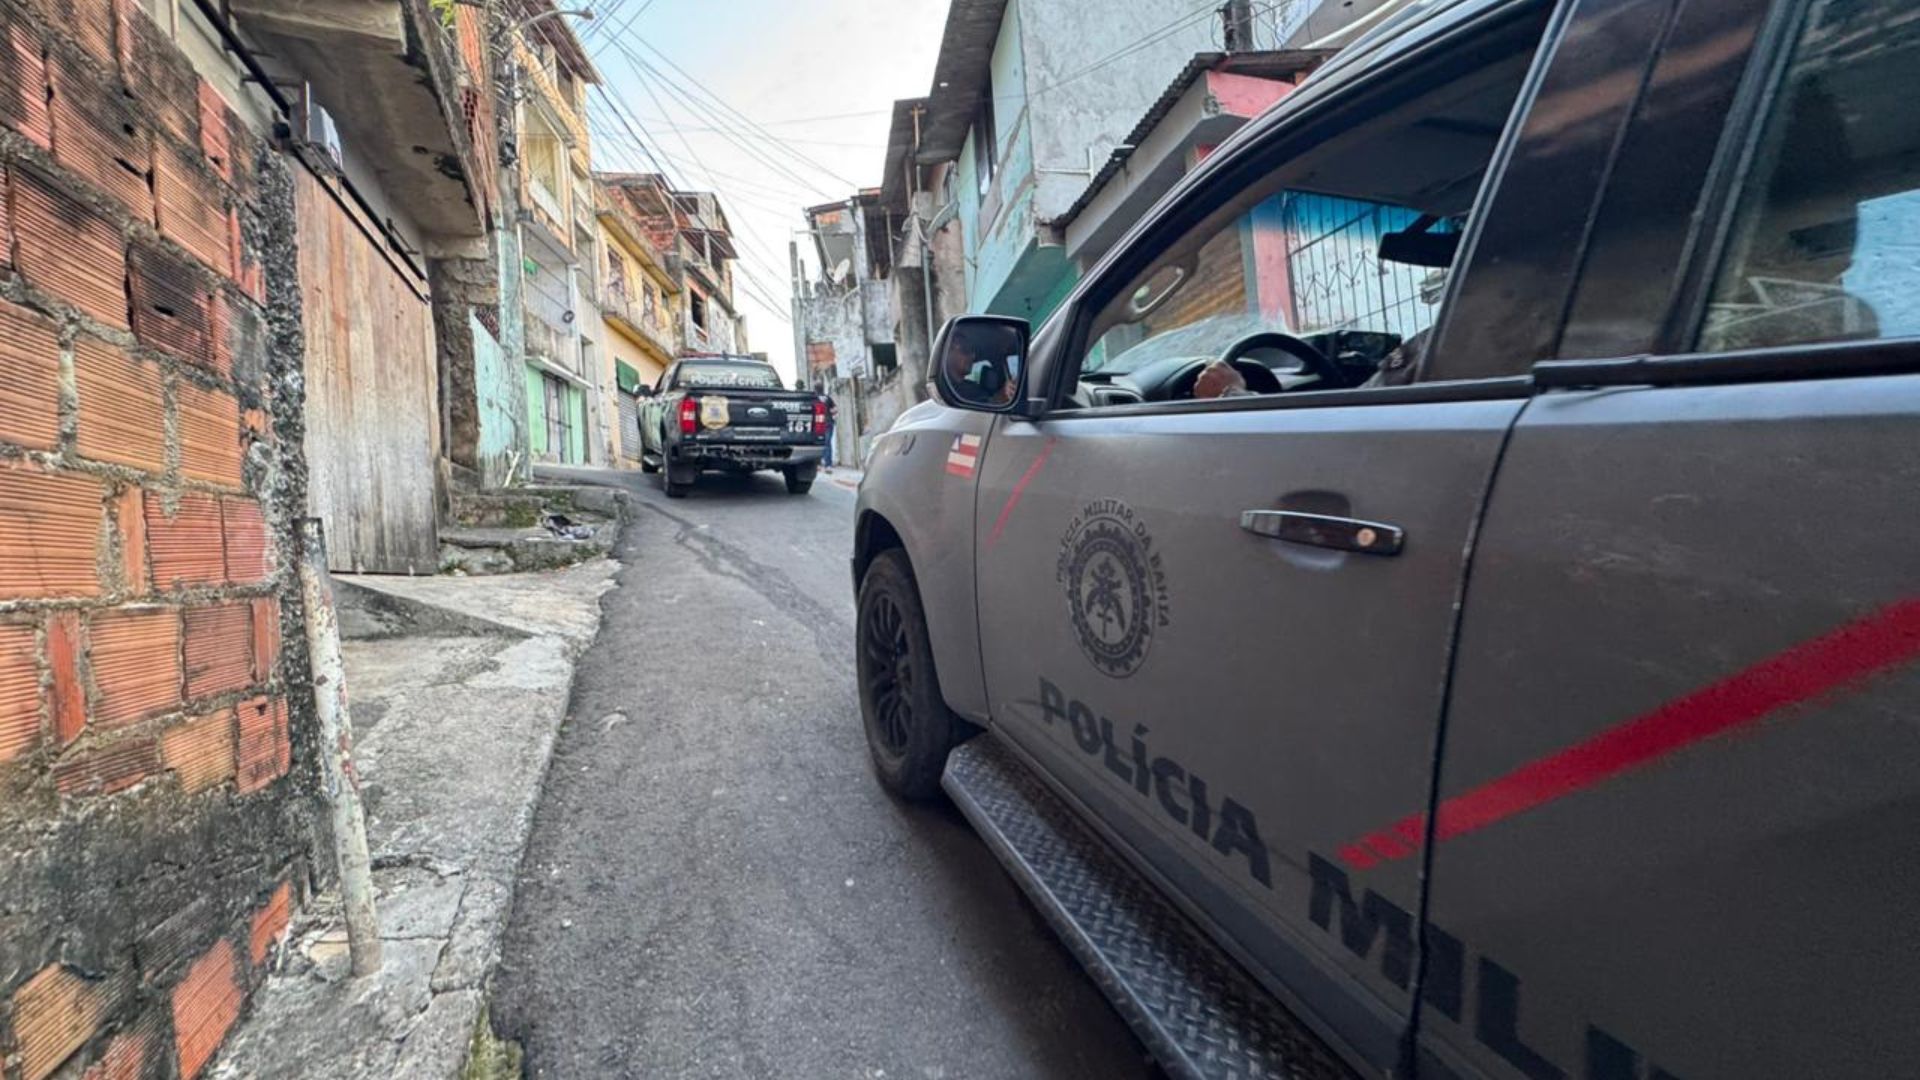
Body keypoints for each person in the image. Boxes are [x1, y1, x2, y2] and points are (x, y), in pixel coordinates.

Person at [945, 327, 1018, 406]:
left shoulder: (974, 387)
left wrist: (1008, 392)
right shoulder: (945, 390)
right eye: (965, 349)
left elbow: (984, 402)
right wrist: (1000, 397)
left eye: (973, 351)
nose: (973, 356)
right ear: (947, 353)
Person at [821, 393, 837, 471]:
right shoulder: (827, 398)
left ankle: (825, 462)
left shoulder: (815, 397)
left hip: (821, 424)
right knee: (827, 443)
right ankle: (827, 464)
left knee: (823, 443)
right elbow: (835, 409)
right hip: (828, 423)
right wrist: (832, 413)